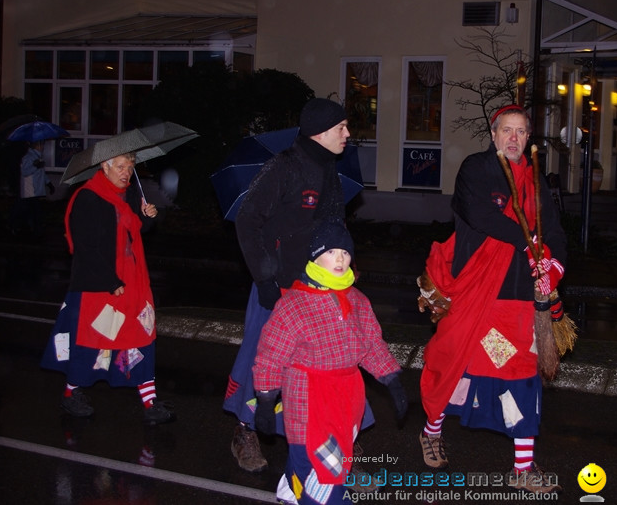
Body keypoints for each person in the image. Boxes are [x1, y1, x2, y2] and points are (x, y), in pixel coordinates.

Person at [416, 105, 566, 495]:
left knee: (521, 377)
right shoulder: (476, 169)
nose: (513, 138)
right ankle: (431, 430)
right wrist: (528, 241)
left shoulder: (536, 182)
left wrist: (554, 266)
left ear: (528, 138)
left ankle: (523, 467)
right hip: (476, 291)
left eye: (520, 132)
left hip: (518, 299)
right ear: (493, 133)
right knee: (456, 365)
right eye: (506, 130)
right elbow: (480, 214)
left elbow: (556, 231)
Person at [224, 98, 352, 473]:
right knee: (261, 361)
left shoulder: (329, 170)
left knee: (327, 366)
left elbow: (333, 227)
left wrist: (343, 267)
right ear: (321, 131)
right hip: (276, 287)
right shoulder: (283, 167)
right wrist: (265, 277)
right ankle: (245, 431)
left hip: (317, 288)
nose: (347, 134)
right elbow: (248, 221)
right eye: (341, 127)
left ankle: (336, 440)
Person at [253, 219, 407, 505]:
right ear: (315, 255)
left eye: (346, 252)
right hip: (308, 399)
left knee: (334, 460)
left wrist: (392, 380)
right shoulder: (294, 303)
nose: (340, 259)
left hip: (347, 399)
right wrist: (264, 398)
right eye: (332, 252)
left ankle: (291, 486)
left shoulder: (358, 300)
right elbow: (270, 356)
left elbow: (371, 345)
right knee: (323, 473)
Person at [41, 152, 176, 425]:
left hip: (133, 283)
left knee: (140, 338)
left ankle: (150, 403)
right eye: (120, 166)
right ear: (104, 166)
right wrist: (110, 281)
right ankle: (71, 394)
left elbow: (131, 232)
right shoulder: (88, 198)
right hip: (100, 287)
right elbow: (86, 248)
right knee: (92, 344)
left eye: (130, 166)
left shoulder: (123, 197)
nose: (126, 172)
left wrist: (146, 216)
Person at [10, 140, 54, 236]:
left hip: (35, 190)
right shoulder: (28, 157)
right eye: (41, 144)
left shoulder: (37, 157)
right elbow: (25, 172)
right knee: (32, 210)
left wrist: (49, 183)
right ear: (37, 145)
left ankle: (25, 227)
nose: (43, 147)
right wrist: (36, 166)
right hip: (30, 189)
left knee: (29, 210)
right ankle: (31, 228)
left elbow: (42, 173)